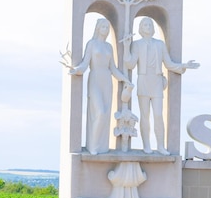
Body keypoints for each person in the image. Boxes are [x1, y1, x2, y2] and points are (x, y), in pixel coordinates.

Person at [123, 17, 199, 154]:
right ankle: (146, 145)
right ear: (140, 28)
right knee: (145, 115)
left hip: (157, 82)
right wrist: (126, 47)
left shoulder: (160, 45)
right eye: (145, 25)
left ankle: (160, 145)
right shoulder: (137, 45)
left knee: (158, 115)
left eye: (150, 24)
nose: (148, 26)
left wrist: (184, 66)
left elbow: (169, 64)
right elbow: (130, 64)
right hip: (143, 81)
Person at [69, 19, 129, 154]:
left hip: (107, 81)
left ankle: (102, 146)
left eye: (107, 27)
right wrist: (76, 70)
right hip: (95, 79)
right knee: (100, 112)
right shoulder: (92, 44)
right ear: (97, 28)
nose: (105, 29)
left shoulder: (109, 47)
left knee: (106, 114)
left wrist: (125, 79)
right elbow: (85, 64)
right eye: (103, 26)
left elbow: (113, 68)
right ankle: (94, 146)